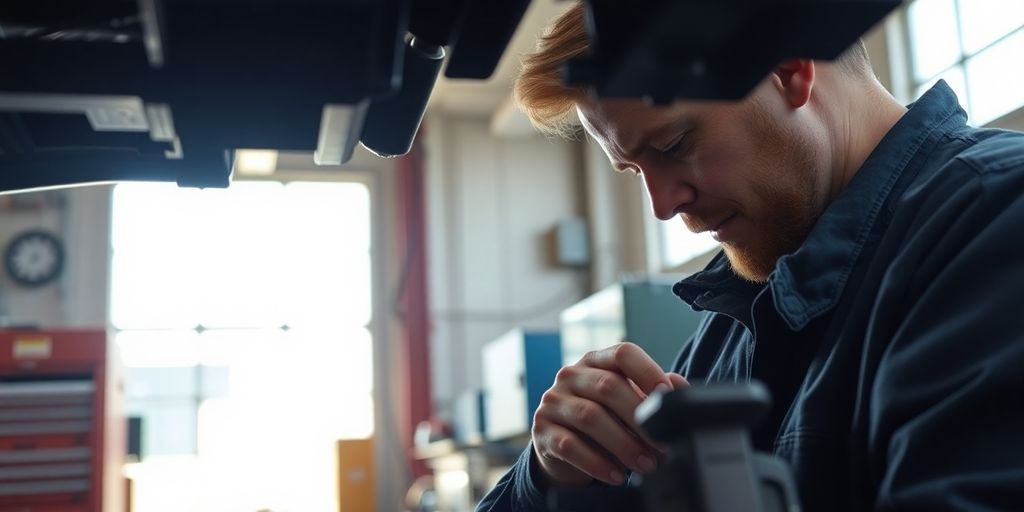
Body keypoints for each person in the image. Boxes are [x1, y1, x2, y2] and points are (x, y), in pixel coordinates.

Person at [476, 3, 1024, 511]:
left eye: (672, 146)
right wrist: (550, 474)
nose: (663, 207)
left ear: (789, 69)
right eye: (635, 169)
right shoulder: (733, 327)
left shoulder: (997, 217)